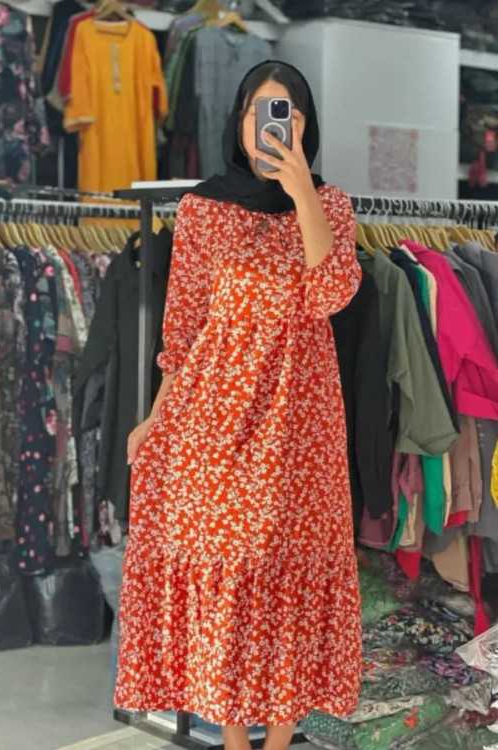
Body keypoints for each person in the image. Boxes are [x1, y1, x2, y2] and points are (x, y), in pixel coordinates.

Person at [114, 61, 362, 750]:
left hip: (300, 422)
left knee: (285, 574)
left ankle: (276, 742)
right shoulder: (202, 209)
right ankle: (231, 739)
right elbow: (184, 325)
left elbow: (331, 292)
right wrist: (157, 416)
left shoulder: (332, 205)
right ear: (240, 121)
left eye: (289, 113)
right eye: (261, 111)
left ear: (306, 126)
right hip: (215, 418)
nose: (272, 126)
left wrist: (303, 193)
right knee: (229, 575)